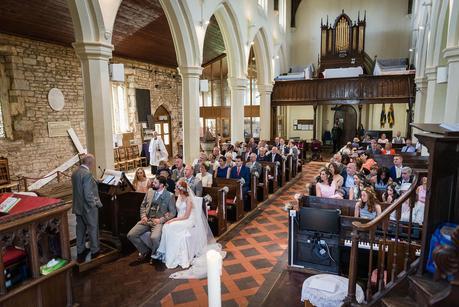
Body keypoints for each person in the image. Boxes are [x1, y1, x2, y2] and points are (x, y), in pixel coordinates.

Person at [155, 180, 220, 272]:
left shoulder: (189, 199)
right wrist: (169, 216)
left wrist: (173, 220)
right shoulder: (179, 197)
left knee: (168, 226)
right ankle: (166, 252)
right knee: (167, 227)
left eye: (176, 187)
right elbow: (178, 211)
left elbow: (186, 216)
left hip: (189, 220)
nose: (174, 189)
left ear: (180, 189)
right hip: (181, 218)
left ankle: (168, 253)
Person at [127, 176, 176, 265]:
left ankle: (154, 255)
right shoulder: (150, 191)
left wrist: (162, 220)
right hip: (147, 220)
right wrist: (143, 216)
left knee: (155, 237)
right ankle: (144, 251)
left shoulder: (169, 195)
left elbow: (173, 212)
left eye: (155, 183)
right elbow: (143, 205)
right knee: (131, 234)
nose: (153, 183)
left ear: (161, 185)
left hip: (158, 222)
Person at [71, 154, 103, 263]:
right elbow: (88, 193)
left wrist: (96, 182)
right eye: (93, 162)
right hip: (88, 208)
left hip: (78, 206)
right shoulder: (87, 174)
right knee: (93, 228)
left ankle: (80, 250)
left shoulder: (75, 172)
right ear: (89, 163)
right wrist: (94, 204)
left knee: (80, 230)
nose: (93, 164)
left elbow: (80, 187)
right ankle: (95, 250)